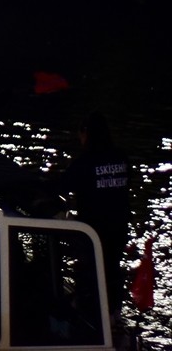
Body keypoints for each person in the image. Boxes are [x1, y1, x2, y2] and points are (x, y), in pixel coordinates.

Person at [59, 112, 131, 318]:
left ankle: (87, 313)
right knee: (113, 269)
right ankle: (114, 313)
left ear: (86, 133)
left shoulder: (85, 162)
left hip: (93, 230)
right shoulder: (121, 157)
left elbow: (62, 186)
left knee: (90, 272)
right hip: (118, 228)